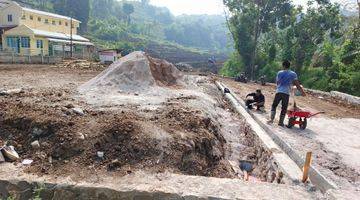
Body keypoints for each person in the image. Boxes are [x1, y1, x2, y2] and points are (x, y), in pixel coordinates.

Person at [268, 60, 306, 126]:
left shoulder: (279, 73)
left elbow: (277, 82)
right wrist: (302, 92)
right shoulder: (293, 74)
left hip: (279, 92)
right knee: (284, 108)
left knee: (274, 105)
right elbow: (297, 84)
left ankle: (271, 119)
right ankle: (280, 122)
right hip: (286, 93)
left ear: (283, 66)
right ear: (289, 66)